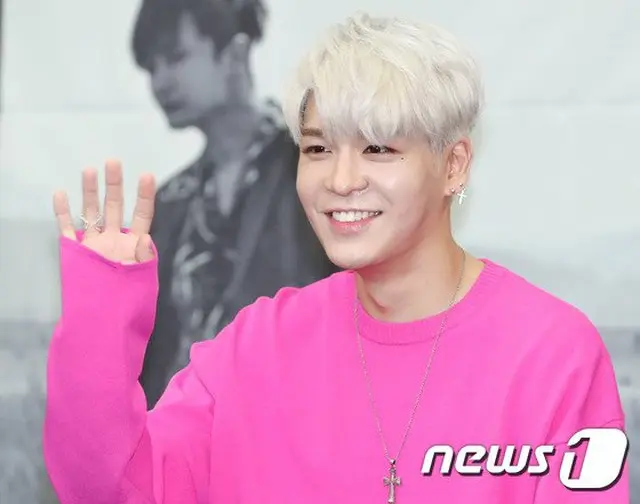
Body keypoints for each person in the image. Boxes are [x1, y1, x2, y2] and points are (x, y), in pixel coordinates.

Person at [44, 13, 628, 503]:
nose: (341, 180)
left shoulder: (553, 354)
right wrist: (102, 310)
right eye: (319, 147)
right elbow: (114, 488)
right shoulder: (255, 346)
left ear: (453, 166)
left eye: (378, 148)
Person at [131, 0, 336, 407]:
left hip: (295, 426)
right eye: (151, 67)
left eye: (175, 57)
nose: (160, 81)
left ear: (235, 53)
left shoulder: (316, 170)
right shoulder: (171, 202)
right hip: (185, 434)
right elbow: (153, 353)